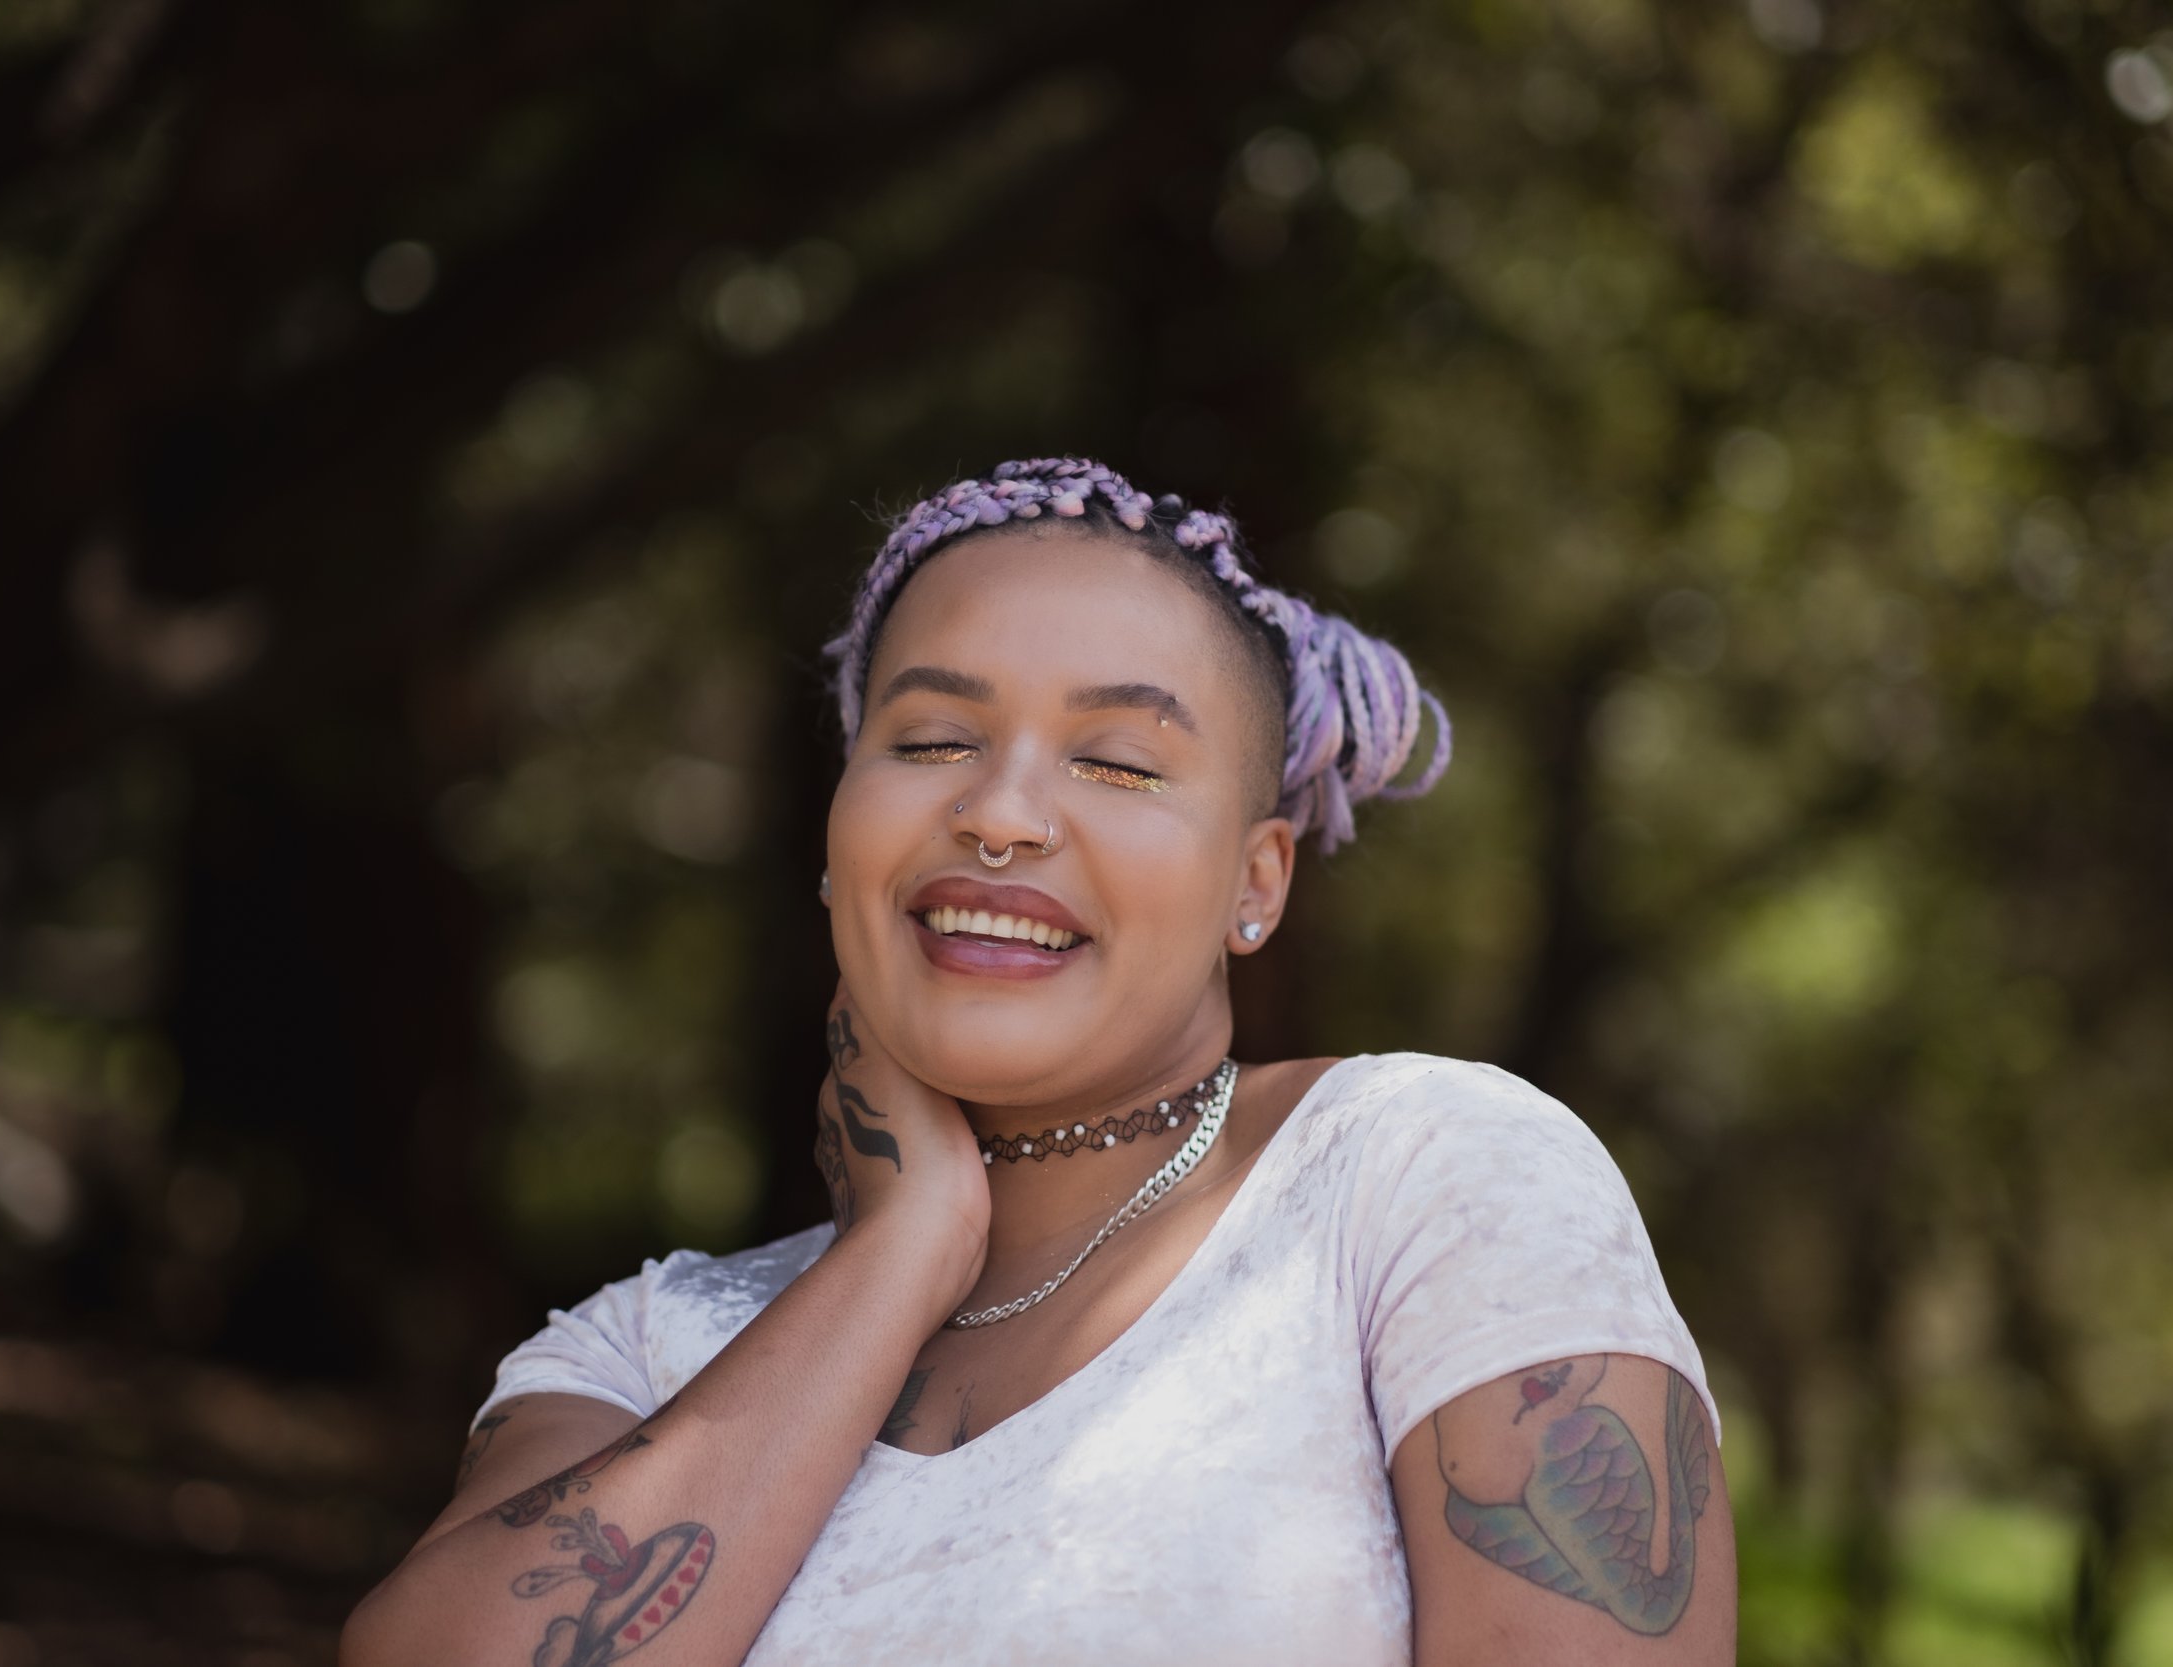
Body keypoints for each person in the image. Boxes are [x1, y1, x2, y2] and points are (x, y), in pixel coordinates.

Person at [342, 457, 1736, 1666]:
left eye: (1119, 764)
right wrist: (902, 1248)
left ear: (1258, 882)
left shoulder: (1421, 1179)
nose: (1001, 813)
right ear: (838, 840)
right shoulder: (644, 1347)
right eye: (933, 739)